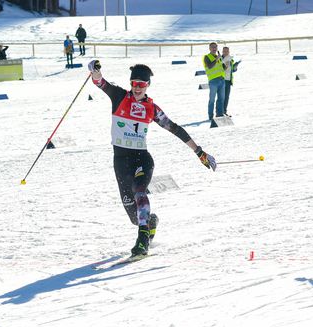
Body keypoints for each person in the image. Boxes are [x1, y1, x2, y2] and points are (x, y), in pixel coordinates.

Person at [87, 59, 217, 257]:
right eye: (134, 84)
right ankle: (150, 222)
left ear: (148, 85)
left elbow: (174, 128)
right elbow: (100, 82)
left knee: (140, 191)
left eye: (142, 84)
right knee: (134, 215)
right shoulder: (120, 96)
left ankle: (142, 240)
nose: (137, 88)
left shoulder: (152, 108)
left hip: (142, 159)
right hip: (121, 161)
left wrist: (199, 152)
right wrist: (95, 71)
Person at [203, 42, 225, 124]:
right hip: (213, 81)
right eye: (212, 47)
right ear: (209, 48)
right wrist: (217, 59)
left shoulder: (218, 57)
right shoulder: (206, 57)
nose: (214, 48)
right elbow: (210, 66)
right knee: (212, 100)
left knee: (221, 99)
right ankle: (210, 116)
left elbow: (223, 68)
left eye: (215, 47)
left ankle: (219, 114)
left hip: (221, 80)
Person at [221, 46, 235, 116]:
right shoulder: (220, 59)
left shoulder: (230, 59)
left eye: (227, 51)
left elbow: (232, 70)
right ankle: (220, 112)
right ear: (222, 51)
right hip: (222, 80)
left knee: (227, 97)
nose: (226, 52)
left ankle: (224, 112)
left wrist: (235, 67)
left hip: (229, 80)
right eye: (224, 51)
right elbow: (221, 69)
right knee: (221, 97)